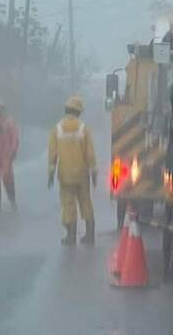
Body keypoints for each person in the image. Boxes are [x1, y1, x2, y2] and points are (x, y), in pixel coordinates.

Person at [48, 95, 97, 246]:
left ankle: (71, 237)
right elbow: (90, 154)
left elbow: (52, 155)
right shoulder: (84, 129)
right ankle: (89, 235)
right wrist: (94, 173)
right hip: (82, 175)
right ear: (78, 112)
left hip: (65, 175)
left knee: (68, 205)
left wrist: (50, 175)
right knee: (86, 203)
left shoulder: (57, 129)